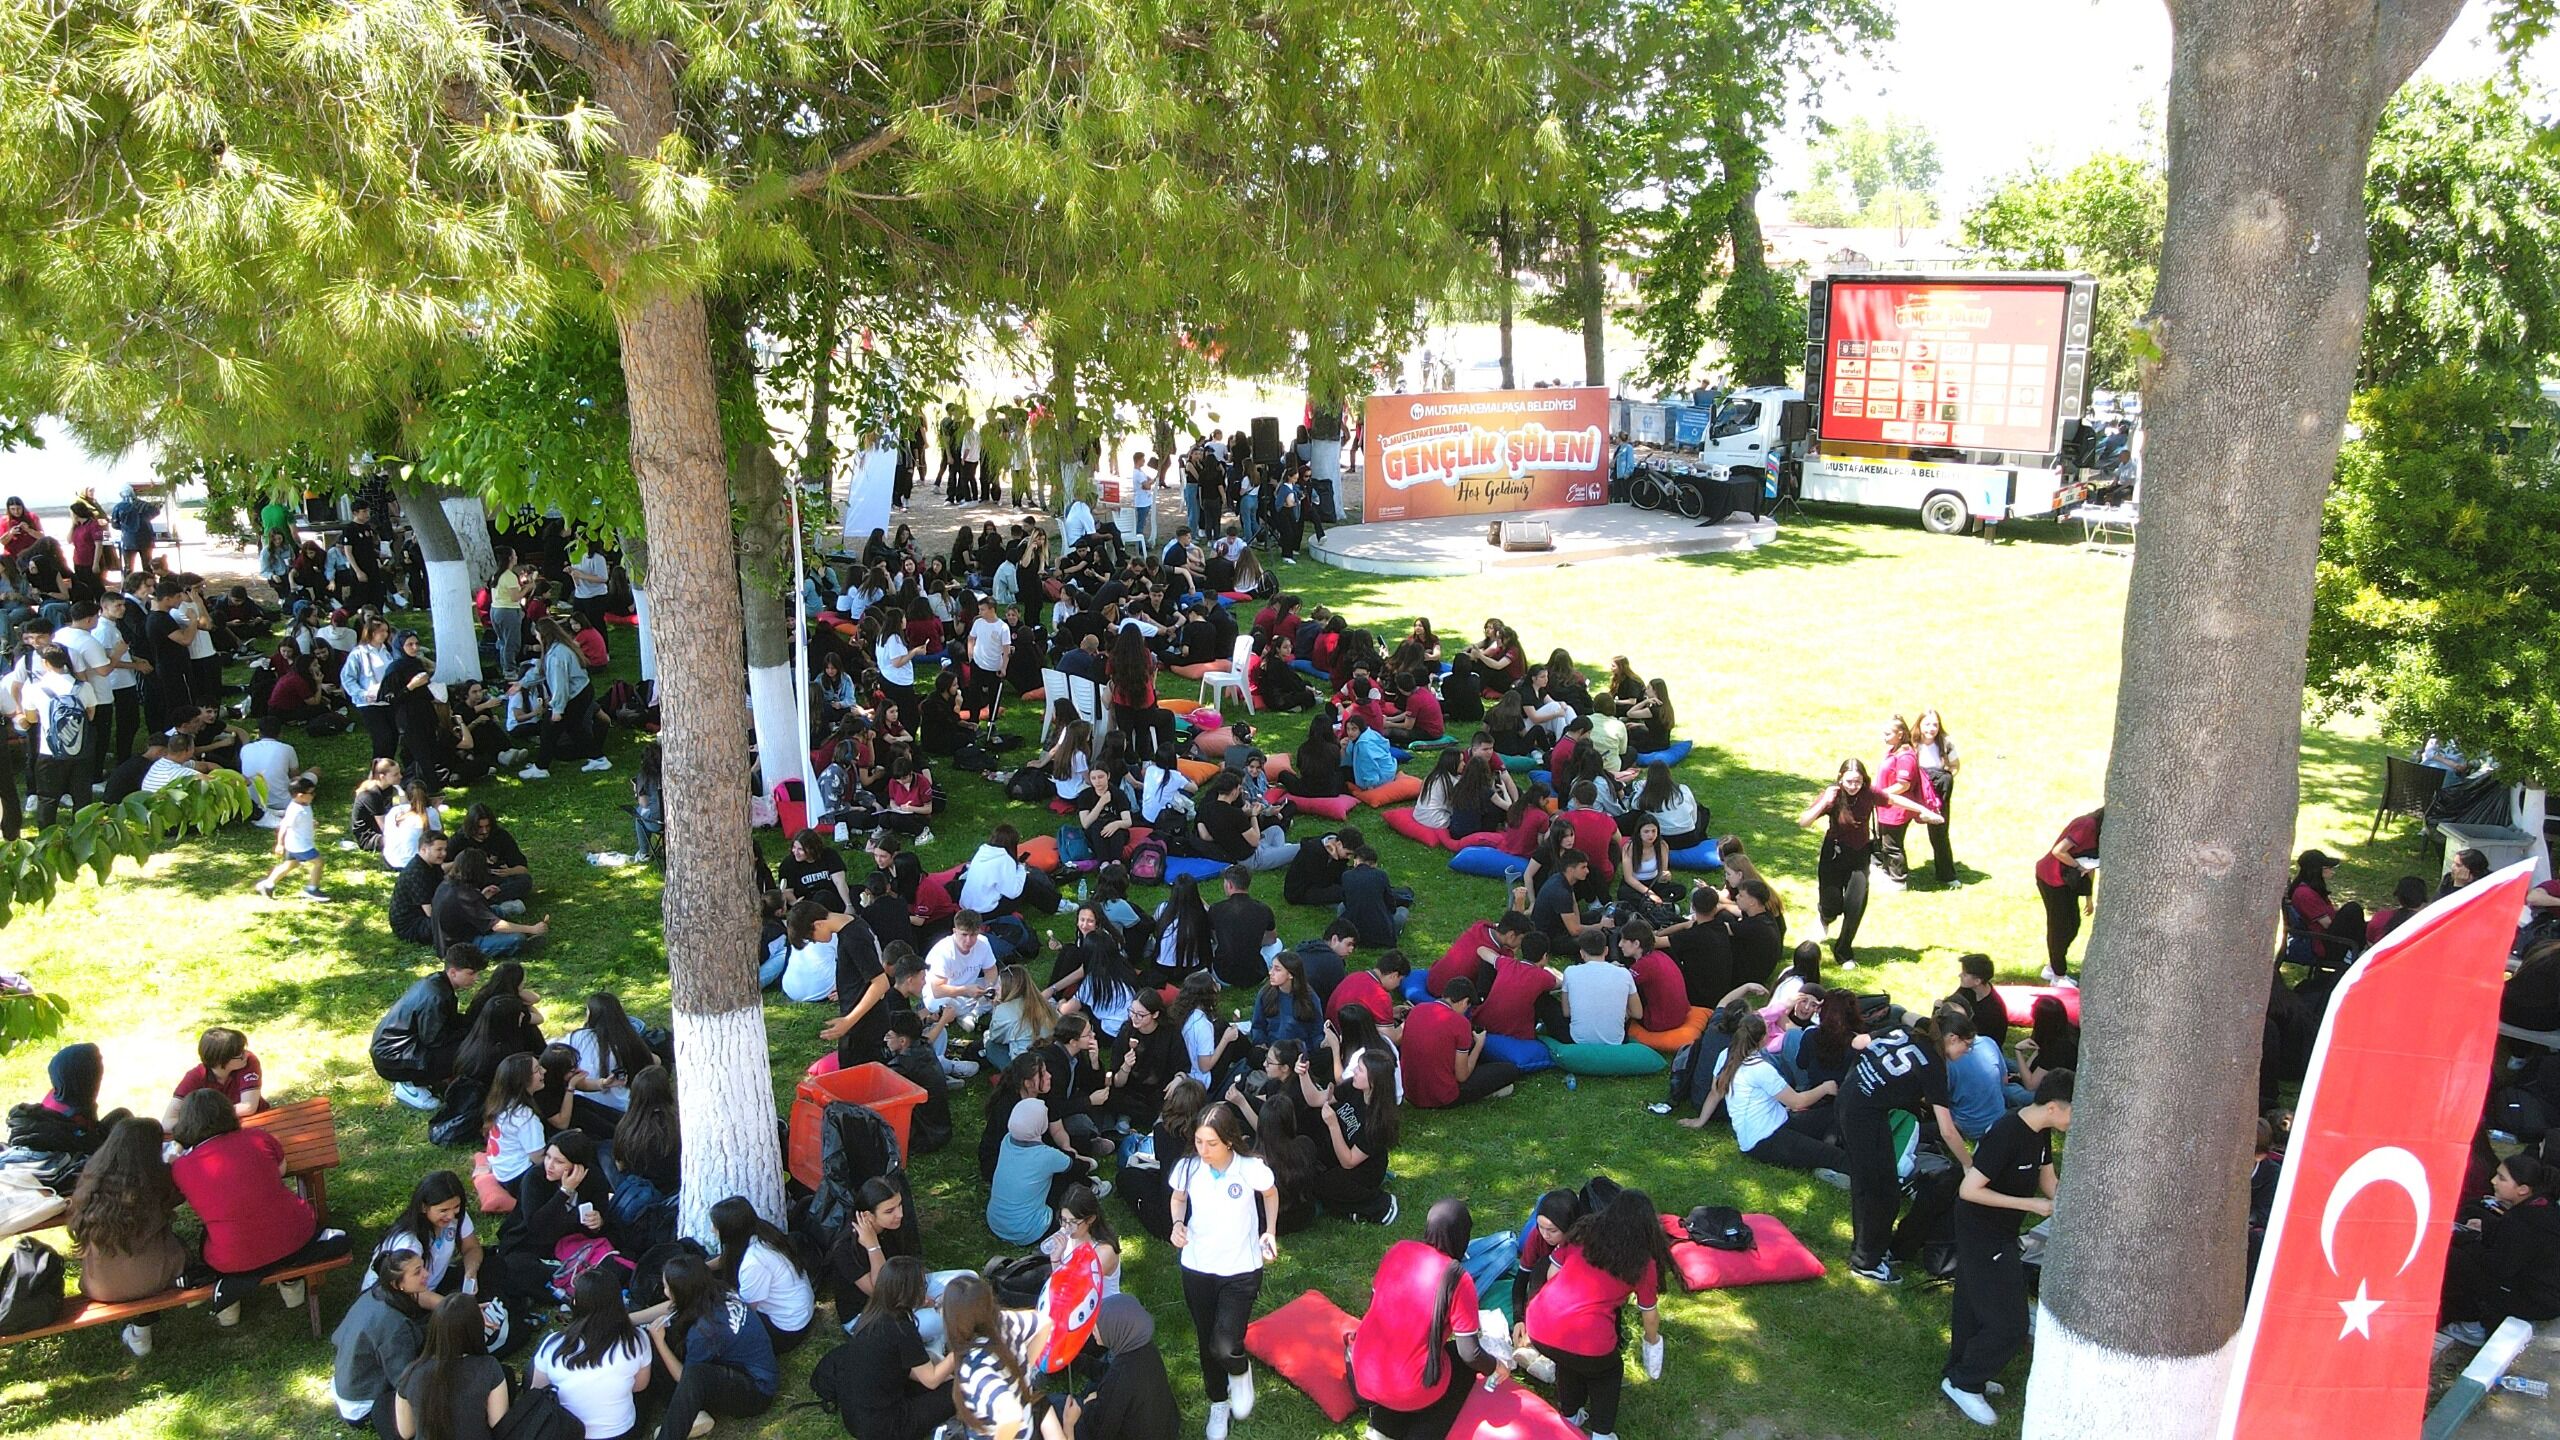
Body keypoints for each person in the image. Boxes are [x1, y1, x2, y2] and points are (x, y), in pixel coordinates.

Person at [1940, 1071, 2073, 1427]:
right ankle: (1965, 1382)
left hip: (1998, 1231)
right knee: (2011, 1324)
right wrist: (2030, 1206)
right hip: (1981, 1232)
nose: (2074, 1122)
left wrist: (2065, 1207)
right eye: (2072, 1113)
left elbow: (2049, 1182)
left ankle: (1961, 1371)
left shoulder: (2041, 1133)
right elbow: (1969, 1190)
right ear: (2054, 1107)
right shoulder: (2007, 1133)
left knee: (1971, 1303)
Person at [169, 1088, 353, 1324]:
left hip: (235, 1259)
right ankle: (291, 1284)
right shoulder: (257, 1138)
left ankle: (230, 1306)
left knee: (211, 1234)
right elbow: (281, 1170)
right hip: (296, 1235)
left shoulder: (182, 1167)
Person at [1518, 1188, 1670, 1440]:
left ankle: (1569, 1415)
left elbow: (1552, 1274)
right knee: (1607, 1373)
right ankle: (1601, 1434)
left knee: (1568, 1361)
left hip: (1540, 1324)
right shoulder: (1642, 1263)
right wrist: (1652, 1343)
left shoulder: (1582, 1233)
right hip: (1587, 1338)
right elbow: (1649, 1314)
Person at [1350, 1198, 1507, 1440]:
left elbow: (1374, 1307)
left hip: (1362, 1374)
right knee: (1461, 1365)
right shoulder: (1457, 1278)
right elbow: (1471, 1353)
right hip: (1407, 1389)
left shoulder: (1398, 1250)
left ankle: (1383, 1426)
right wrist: (1495, 1367)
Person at [1170, 1101, 1278, 1438]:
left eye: (1211, 1143)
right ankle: (1218, 1402)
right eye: (1199, 1142)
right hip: (1198, 1267)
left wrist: (1269, 1231)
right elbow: (1178, 1198)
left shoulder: (1250, 1168)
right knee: (1206, 1338)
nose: (1203, 1150)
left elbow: (1271, 1194)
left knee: (1226, 1343)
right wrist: (1177, 1223)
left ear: (1229, 1141)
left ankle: (1239, 1371)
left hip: (1241, 1269)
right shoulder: (1188, 1167)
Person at [1838, 1017, 1969, 1286]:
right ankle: (1867, 1263)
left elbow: (1858, 1041)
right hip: (1864, 1115)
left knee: (1871, 1181)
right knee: (1881, 1191)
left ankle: (1869, 1246)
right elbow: (1947, 1129)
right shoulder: (1933, 1065)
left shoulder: (1908, 1031)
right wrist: (1969, 1164)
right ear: (1952, 1038)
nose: (1967, 1052)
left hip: (1850, 1094)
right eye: (1967, 1045)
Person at [63, 1116, 190, 1358]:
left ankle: (140, 1334)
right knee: (179, 1246)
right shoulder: (157, 1179)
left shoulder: (91, 1177)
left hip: (100, 1285)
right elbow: (181, 1196)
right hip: (155, 1277)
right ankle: (142, 1327)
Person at [1681, 1011, 1848, 1179]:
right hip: (1765, 1140)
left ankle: (1827, 1148)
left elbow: (1715, 1093)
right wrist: (1825, 1088)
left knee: (1832, 1114)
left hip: (1778, 1121)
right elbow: (1797, 1102)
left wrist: (1700, 1121)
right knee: (1835, 1156)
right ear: (1762, 1039)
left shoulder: (1726, 1054)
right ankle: (1851, 1173)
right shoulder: (1760, 1069)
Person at [645, 1253, 781, 1440]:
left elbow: (687, 1379)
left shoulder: (705, 1331)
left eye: (668, 1288)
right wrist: (633, 1319)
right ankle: (693, 1414)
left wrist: (660, 1342)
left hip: (756, 1391)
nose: (665, 1292)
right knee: (664, 1341)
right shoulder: (717, 1290)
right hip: (742, 1366)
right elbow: (673, 1308)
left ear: (682, 1293)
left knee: (689, 1372)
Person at [823, 1255, 956, 1440]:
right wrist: (960, 1350)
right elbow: (931, 1380)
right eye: (922, 1286)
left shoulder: (871, 1314)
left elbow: (900, 1364)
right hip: (889, 1427)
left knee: (943, 1381)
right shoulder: (902, 1328)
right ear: (910, 1292)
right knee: (960, 1388)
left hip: (856, 1417)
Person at [2438, 1153, 2560, 1346]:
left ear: (2522, 1189)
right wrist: (2486, 1227)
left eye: (2502, 1178)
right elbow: (2517, 1245)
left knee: (2455, 1259)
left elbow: (2499, 1267)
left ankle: (2473, 1324)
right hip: (2544, 1293)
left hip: (2534, 1301)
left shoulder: (2522, 1220)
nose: (2493, 1181)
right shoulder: (2543, 1208)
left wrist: (2467, 1241)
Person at [528, 1267, 653, 1439]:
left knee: (534, 1366)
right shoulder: (638, 1339)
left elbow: (537, 1392)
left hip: (566, 1432)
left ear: (575, 1303)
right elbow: (640, 1386)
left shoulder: (553, 1345)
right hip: (621, 1433)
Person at [941, 1271, 1066, 1440]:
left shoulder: (974, 1368)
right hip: (1026, 1425)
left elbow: (1011, 1416)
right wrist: (1024, 1367)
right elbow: (1045, 1323)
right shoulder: (1007, 1321)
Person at [333, 1251, 433, 1435]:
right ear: (398, 1284)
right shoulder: (393, 1326)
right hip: (363, 1403)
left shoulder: (375, 1294)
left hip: (346, 1381)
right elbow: (404, 1381)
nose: (426, 1274)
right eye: (417, 1272)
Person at [372, 947, 486, 1109]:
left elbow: (447, 1023)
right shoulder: (436, 997)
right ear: (453, 972)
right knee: (469, 1050)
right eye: (471, 973)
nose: (476, 978)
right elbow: (434, 1039)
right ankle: (410, 1084)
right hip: (394, 1059)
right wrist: (469, 1033)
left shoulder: (438, 983)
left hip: (401, 1049)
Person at [393, 1296, 512, 1440]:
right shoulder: (489, 1367)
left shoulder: (411, 1373)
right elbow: (498, 1424)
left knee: (381, 1408)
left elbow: (406, 1432)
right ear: (476, 1328)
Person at [1797, 759, 1879, 966]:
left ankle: (1844, 950)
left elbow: (1894, 799)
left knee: (1855, 906)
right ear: (1840, 778)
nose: (1853, 786)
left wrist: (1925, 811)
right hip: (1833, 856)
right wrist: (1824, 802)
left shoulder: (1868, 794)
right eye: (1849, 781)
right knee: (1831, 905)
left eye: (1858, 782)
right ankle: (1824, 916)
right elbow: (1803, 822)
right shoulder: (1833, 796)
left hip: (1859, 856)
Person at [1308, 1046, 1401, 1224]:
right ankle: (1347, 1208)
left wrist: (1333, 1124)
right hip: (1341, 1147)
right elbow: (1318, 1100)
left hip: (1362, 1171)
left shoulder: (1378, 1121)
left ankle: (1380, 1204)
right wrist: (1303, 1075)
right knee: (1310, 1170)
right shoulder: (1354, 1087)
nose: (1354, 1072)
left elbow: (1349, 1162)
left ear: (1373, 1080)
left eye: (1360, 1069)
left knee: (1322, 1184)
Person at [1072, 1293, 1179, 1440]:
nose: (1092, 1332)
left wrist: (1088, 1405)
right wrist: (1077, 1361)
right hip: (1163, 1429)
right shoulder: (1143, 1348)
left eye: (1096, 1327)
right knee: (1093, 1387)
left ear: (1115, 1328)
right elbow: (1107, 1374)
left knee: (1060, 1407)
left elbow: (1100, 1432)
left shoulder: (1120, 1377)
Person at [2035, 808, 2102, 987]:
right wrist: (2079, 867)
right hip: (2052, 879)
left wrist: (2089, 896)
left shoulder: (2103, 834)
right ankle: (2058, 975)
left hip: (2069, 880)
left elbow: (2091, 863)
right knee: (2060, 927)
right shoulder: (2086, 825)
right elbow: (2059, 851)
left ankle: (2053, 965)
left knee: (2073, 925)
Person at [165, 1025, 267, 1125]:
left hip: (255, 1121)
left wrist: (206, 1119)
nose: (246, 1054)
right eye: (239, 1053)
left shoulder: (249, 1062)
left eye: (243, 1050)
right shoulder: (196, 1077)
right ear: (221, 1060)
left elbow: (248, 1107)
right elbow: (168, 1121)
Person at [1559, 932, 1639, 1047]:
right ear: (1606, 951)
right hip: (1617, 1040)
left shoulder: (1570, 972)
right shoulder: (1624, 973)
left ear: (1582, 953)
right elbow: (1637, 1013)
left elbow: (1566, 1012)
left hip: (1577, 1039)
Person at [1913, 709, 1961, 885]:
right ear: (1919, 725)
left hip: (1937, 787)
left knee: (1940, 830)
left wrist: (1945, 779)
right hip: (1915, 786)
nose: (1931, 728)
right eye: (1927, 724)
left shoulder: (1945, 742)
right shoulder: (1911, 743)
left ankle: (1947, 875)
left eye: (1935, 724)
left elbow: (1955, 765)